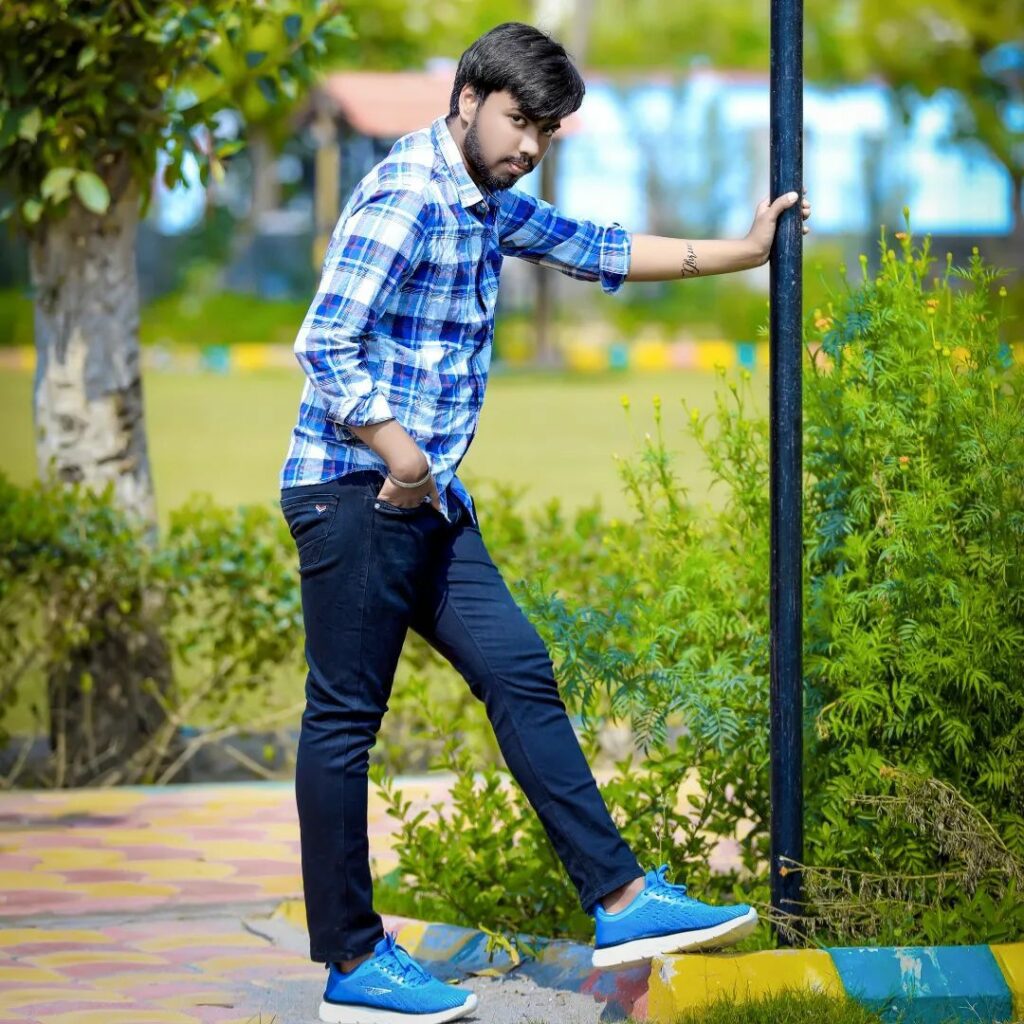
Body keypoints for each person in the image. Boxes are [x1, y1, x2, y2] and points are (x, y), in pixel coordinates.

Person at [279, 20, 812, 1024]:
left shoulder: (483, 202)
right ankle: (352, 961)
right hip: (357, 491)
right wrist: (400, 454)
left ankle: (621, 900)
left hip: (426, 502)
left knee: (518, 668)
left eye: (547, 131)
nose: (529, 145)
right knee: (344, 721)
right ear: (468, 99)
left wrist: (743, 251)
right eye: (519, 120)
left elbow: (596, 247)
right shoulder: (408, 196)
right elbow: (324, 341)